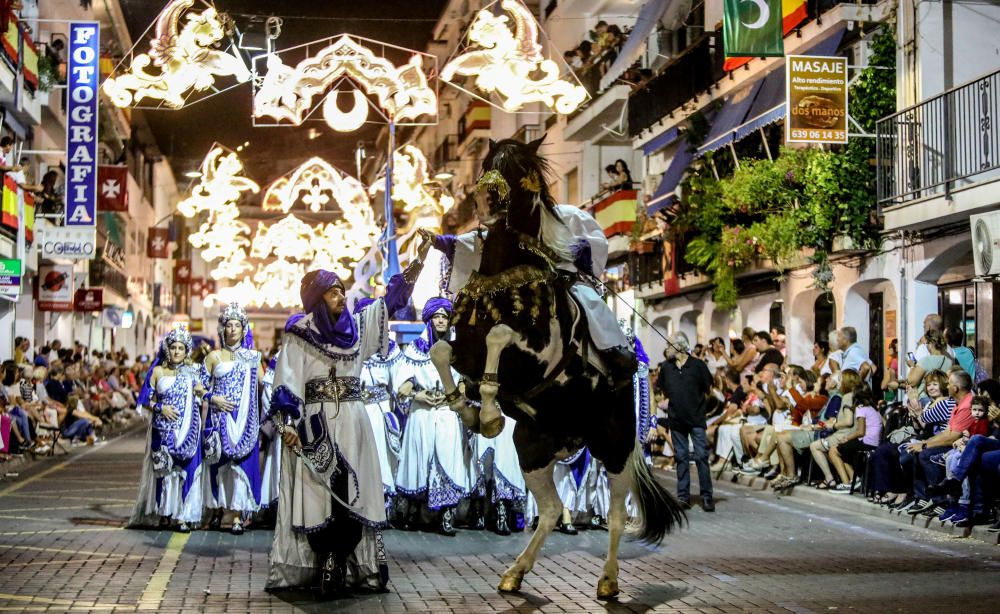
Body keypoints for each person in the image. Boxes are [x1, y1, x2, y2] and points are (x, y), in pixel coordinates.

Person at [266, 255, 423, 596]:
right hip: (315, 425)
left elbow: (391, 302)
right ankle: (325, 563)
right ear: (316, 298)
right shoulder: (299, 332)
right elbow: (286, 381)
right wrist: (288, 423)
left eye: (341, 290)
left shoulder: (358, 329)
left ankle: (344, 563)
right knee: (318, 494)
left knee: (353, 493)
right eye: (332, 292)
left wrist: (418, 261)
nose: (341, 296)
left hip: (353, 422)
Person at [424, 197, 636, 390]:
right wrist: (443, 242)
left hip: (564, 277)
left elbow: (593, 244)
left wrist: (566, 250)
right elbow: (482, 243)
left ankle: (614, 353)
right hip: (527, 281)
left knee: (587, 300)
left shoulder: (566, 215)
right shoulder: (515, 224)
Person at [394, 297, 472, 536]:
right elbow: (402, 385)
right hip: (422, 414)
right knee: (420, 458)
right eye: (437, 316)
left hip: (447, 413)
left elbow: (463, 383)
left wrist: (452, 395)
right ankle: (414, 512)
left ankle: (446, 515)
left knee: (448, 459)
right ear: (429, 319)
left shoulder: (456, 349)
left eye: (445, 317)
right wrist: (418, 395)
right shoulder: (414, 348)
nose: (441, 320)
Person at [129, 328, 204, 532]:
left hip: (188, 430)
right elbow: (145, 401)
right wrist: (161, 408)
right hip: (162, 431)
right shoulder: (157, 372)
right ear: (167, 349)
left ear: (186, 350)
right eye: (173, 347)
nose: (177, 351)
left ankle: (182, 516)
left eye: (181, 348)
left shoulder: (195, 372)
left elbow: (203, 394)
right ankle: (164, 514)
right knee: (163, 472)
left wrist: (202, 391)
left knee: (184, 473)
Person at [202, 303, 264, 535]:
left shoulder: (252, 358)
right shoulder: (213, 357)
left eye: (237, 325)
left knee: (240, 469)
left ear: (244, 329)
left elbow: (265, 384)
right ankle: (218, 512)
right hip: (218, 420)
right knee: (218, 467)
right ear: (223, 329)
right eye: (229, 325)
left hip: (244, 421)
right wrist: (212, 397)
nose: (233, 329)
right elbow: (198, 385)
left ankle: (238, 514)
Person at [904, 369, 978, 517]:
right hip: (954, 441)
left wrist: (925, 445)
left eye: (949, 384)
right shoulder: (958, 403)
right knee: (915, 451)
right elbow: (946, 432)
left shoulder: (967, 404)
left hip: (962, 446)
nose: (947, 386)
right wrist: (925, 442)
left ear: (956, 388)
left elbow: (952, 437)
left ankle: (942, 501)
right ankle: (925, 497)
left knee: (926, 455)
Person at [655, 331, 714, 511]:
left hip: (696, 418)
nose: (667, 348)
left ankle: (706, 496)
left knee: (701, 456)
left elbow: (708, 388)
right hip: (676, 419)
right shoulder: (666, 367)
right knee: (680, 457)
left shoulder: (698, 366)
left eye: (670, 345)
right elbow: (663, 389)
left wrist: (700, 406)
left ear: (679, 346)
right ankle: (683, 496)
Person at [356, 297, 404, 513]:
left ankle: (383, 503)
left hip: (380, 410)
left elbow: (403, 376)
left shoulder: (390, 349)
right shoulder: (348, 346)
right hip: (355, 411)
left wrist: (407, 385)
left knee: (381, 457)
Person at [828, 388, 883, 492]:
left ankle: (846, 483)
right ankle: (855, 479)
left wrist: (846, 438)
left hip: (868, 443)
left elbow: (861, 432)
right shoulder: (874, 409)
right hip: (875, 443)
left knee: (833, 451)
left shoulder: (860, 408)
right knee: (841, 451)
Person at [904, 330, 952, 399]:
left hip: (924, 399)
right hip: (942, 398)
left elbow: (911, 382)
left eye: (926, 343)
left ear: (931, 344)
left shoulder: (926, 361)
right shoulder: (948, 361)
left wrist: (912, 366)